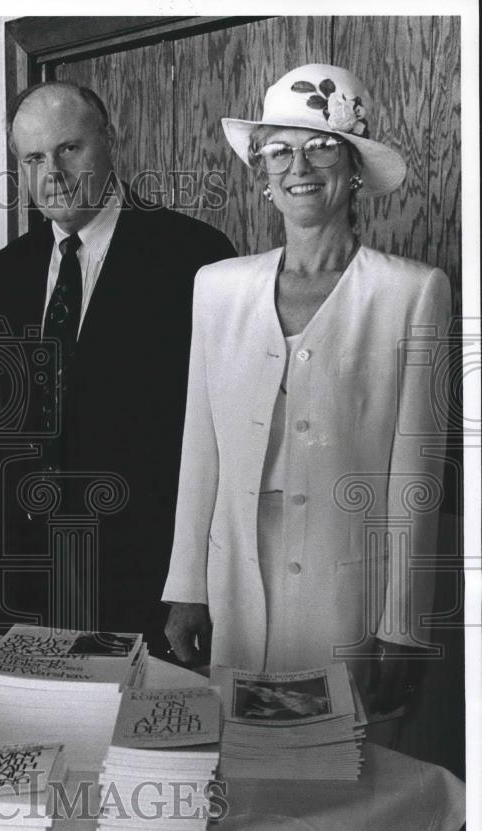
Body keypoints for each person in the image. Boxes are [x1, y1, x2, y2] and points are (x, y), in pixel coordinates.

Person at [163, 64, 451, 711]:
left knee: (346, 779)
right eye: (280, 150)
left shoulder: (412, 291)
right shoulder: (217, 287)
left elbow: (416, 476)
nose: (300, 166)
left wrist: (400, 625)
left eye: (322, 147)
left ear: (353, 169)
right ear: (262, 173)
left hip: (349, 600)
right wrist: (188, 585)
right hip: (237, 586)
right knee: (244, 776)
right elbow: (199, 446)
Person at [0, 81, 235, 653]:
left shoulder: (195, 257)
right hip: (36, 580)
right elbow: (6, 435)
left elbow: (222, 438)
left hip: (150, 582)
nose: (54, 172)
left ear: (111, 143)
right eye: (34, 158)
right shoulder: (10, 270)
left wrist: (191, 587)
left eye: (69, 149)